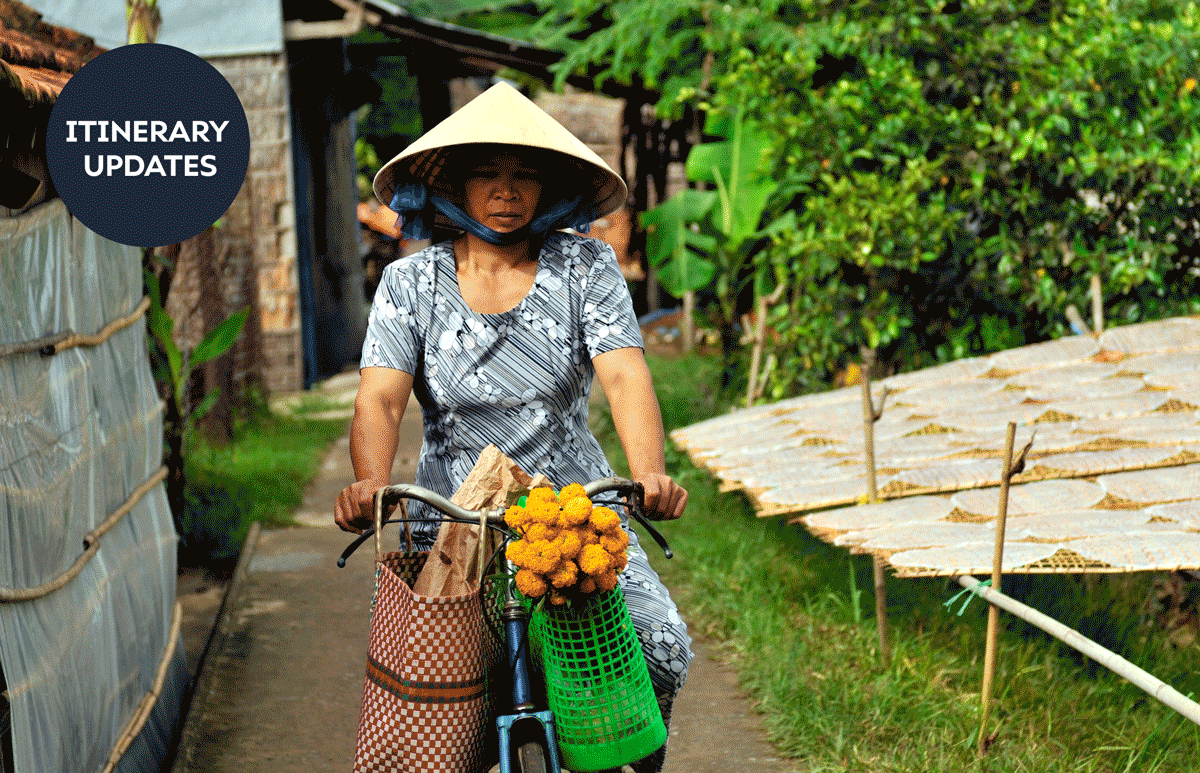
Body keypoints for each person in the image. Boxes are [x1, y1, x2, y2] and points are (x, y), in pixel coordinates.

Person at [334, 81, 693, 773]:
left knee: (659, 648)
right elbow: (380, 400)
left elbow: (623, 375)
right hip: (452, 523)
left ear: (550, 187)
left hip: (574, 516)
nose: (507, 191)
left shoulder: (586, 267)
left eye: (525, 173)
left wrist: (649, 471)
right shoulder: (412, 285)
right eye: (488, 174)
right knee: (439, 712)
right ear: (452, 186)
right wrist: (371, 485)